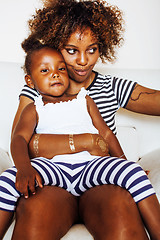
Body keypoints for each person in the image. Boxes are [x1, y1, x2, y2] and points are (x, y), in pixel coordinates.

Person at [5, 0, 160, 240]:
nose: (83, 61)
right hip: (51, 179)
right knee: (34, 208)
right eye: (71, 50)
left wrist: (123, 165)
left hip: (98, 178)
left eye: (92, 49)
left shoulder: (109, 88)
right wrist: (85, 142)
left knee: (120, 207)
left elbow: (109, 132)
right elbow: (21, 140)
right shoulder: (36, 92)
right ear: (56, 46)